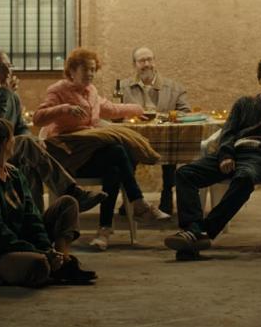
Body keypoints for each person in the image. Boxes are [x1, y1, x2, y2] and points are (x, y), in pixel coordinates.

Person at [33, 48, 171, 251]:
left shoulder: (91, 91)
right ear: (72, 71)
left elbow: (111, 109)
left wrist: (138, 109)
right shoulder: (58, 90)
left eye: (93, 69)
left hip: (90, 155)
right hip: (69, 158)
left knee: (114, 168)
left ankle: (104, 230)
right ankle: (138, 204)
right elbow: (38, 118)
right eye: (85, 69)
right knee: (117, 150)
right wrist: (64, 108)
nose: (90, 74)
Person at [164, 55, 261, 260]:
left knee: (244, 178)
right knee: (185, 174)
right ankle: (193, 231)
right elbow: (228, 132)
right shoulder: (244, 103)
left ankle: (201, 231)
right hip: (233, 153)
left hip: (260, 157)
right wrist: (226, 155)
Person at [0, 50, 106, 213]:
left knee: (30, 165)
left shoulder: (11, 97)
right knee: (26, 144)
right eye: (1, 68)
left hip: (5, 150)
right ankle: (71, 191)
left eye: (9, 66)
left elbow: (21, 127)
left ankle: (35, 220)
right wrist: (4, 95)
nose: (8, 72)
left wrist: (33, 141)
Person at [0, 118, 96, 287]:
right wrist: (41, 252)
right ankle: (49, 265)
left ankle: (61, 261)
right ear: (5, 143)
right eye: (12, 137)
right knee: (39, 265)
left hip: (26, 241)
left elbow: (32, 217)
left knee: (68, 203)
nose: (15, 141)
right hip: (3, 250)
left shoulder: (14, 174)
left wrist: (48, 249)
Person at [121, 46, 192, 214]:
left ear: (155, 61)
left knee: (173, 148)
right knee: (124, 154)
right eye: (141, 61)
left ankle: (167, 194)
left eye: (149, 59)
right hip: (135, 138)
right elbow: (116, 113)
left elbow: (186, 112)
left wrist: (166, 117)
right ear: (134, 64)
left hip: (166, 138)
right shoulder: (123, 87)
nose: (146, 64)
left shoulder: (175, 87)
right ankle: (131, 199)